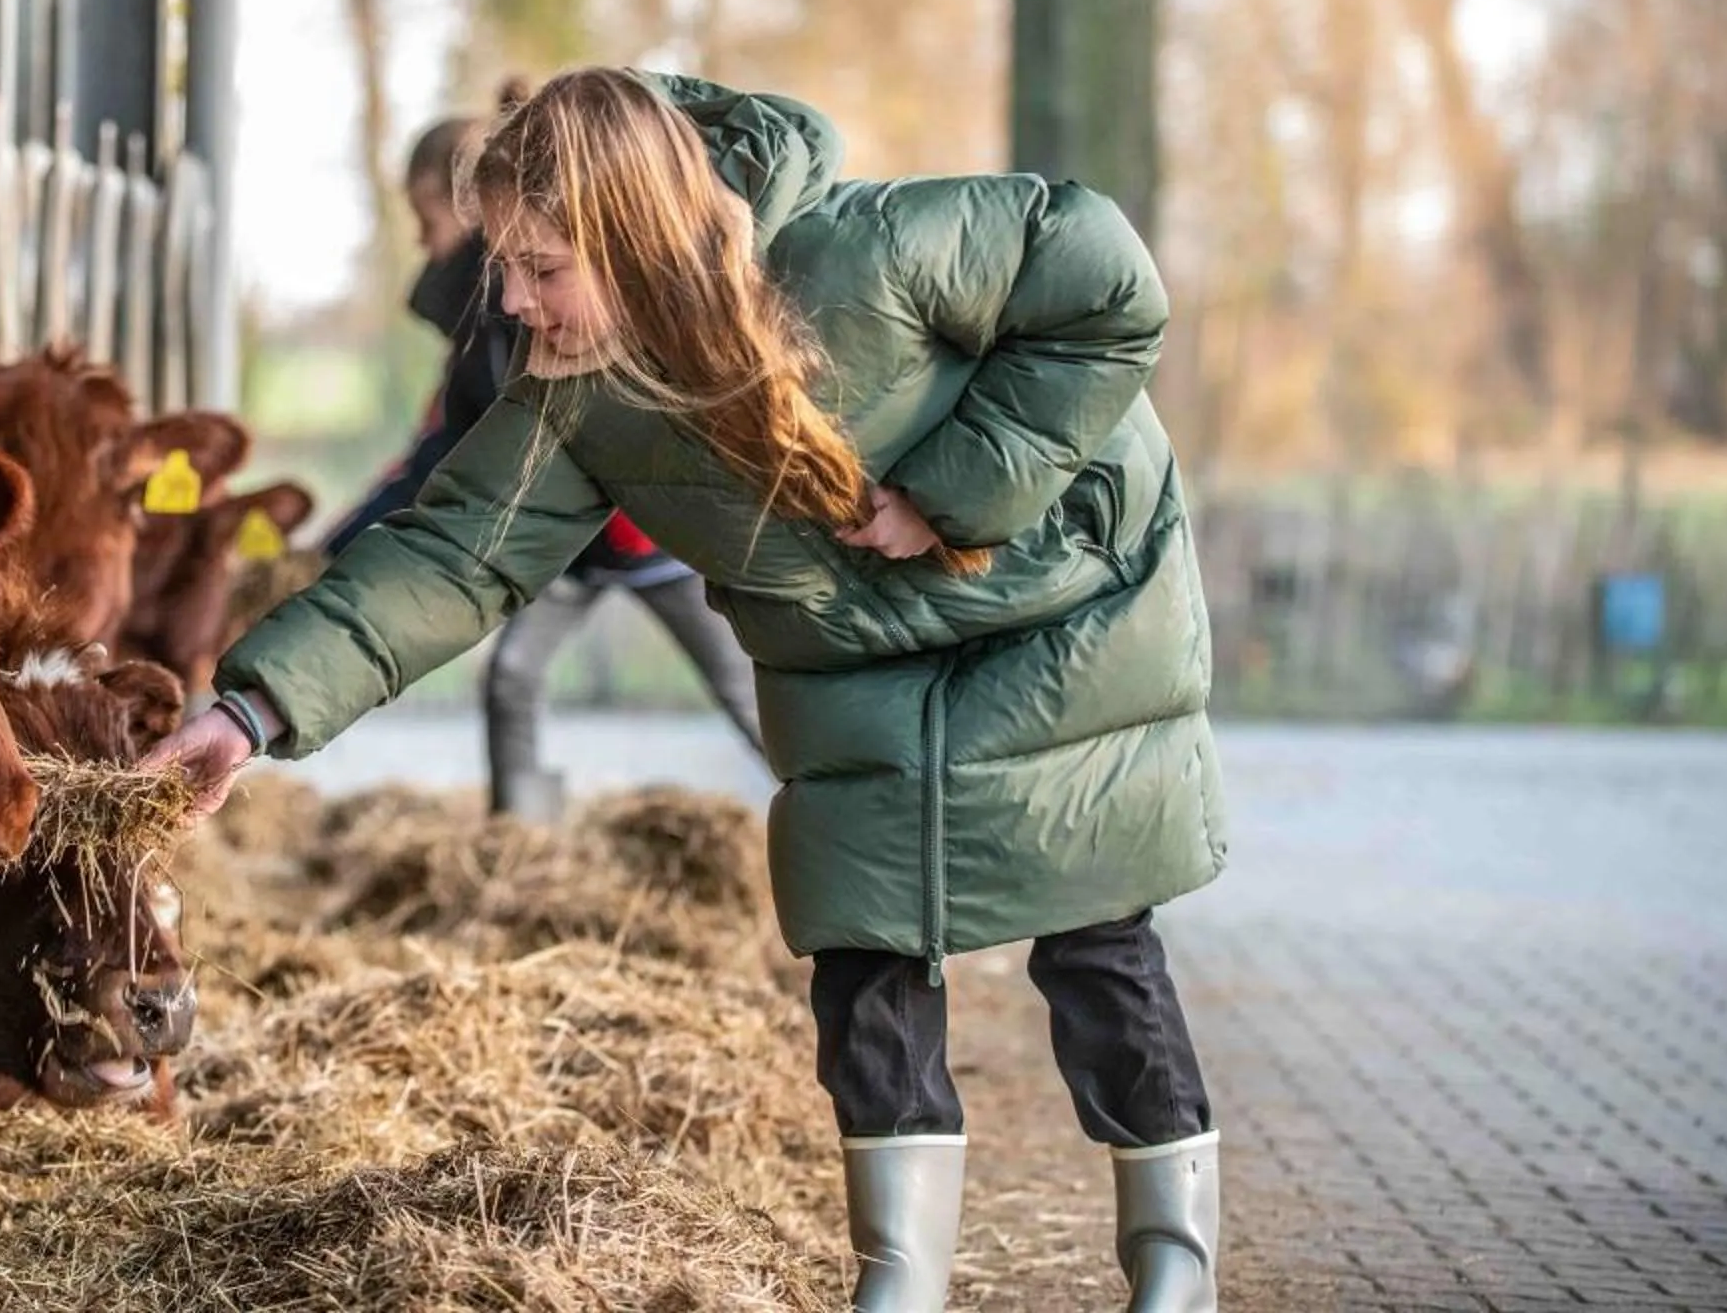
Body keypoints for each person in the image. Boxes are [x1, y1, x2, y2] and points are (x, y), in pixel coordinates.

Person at [148, 69, 1227, 1313]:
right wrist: (250, 711)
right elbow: (453, 551)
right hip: (852, 658)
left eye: (542, 265)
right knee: (862, 962)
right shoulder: (573, 391)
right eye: (505, 264)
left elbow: (1102, 279)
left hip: (1053, 602)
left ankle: (1172, 1271)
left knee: (1092, 943)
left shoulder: (865, 252)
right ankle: (901, 1281)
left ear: (634, 233)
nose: (511, 297)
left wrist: (958, 487)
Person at [325, 93, 762, 821]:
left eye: (427, 217)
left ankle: (823, 804)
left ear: (471, 211)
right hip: (573, 544)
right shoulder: (488, 329)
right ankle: (520, 840)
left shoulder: (598, 291)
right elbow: (446, 450)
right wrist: (341, 543)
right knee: (512, 674)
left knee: (742, 686)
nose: (419, 240)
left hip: (662, 542)